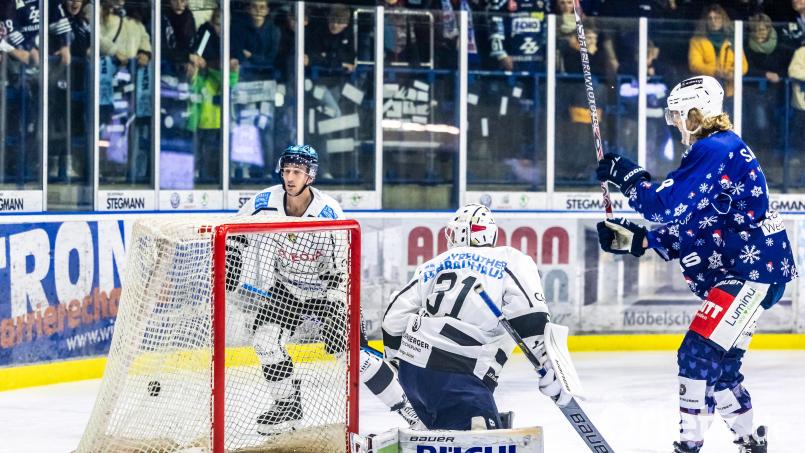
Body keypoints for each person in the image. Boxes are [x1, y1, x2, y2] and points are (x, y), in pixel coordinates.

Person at [595, 75, 797, 453]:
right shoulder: (718, 149)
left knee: (695, 353)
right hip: (755, 270)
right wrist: (640, 239)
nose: (674, 123)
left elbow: (665, 206)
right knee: (719, 369)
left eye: (678, 114)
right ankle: (751, 442)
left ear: (698, 112)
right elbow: (700, 223)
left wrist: (628, 176)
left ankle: (689, 445)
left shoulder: (715, 149)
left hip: (749, 273)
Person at [232, 145, 422, 434]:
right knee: (265, 340)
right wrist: (232, 257)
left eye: (297, 172)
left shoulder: (328, 212)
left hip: (329, 292)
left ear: (310, 176)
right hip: (286, 289)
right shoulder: (265, 200)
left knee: (354, 358)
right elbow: (236, 231)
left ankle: (409, 408)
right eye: (286, 171)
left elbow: (342, 270)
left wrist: (336, 306)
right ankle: (287, 405)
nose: (290, 178)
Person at [382, 203, 568, 431]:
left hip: (413, 375)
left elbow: (392, 321)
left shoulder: (430, 266)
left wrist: (398, 364)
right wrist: (549, 364)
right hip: (460, 375)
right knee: (481, 442)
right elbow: (530, 316)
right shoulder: (509, 258)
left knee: (443, 435)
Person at [688, 4, 748, 100]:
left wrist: (731, 72)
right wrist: (715, 71)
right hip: (705, 90)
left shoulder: (733, 39)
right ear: (706, 21)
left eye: (717, 18)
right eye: (710, 18)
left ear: (723, 19)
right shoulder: (697, 40)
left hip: (731, 90)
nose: (713, 21)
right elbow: (695, 64)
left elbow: (743, 65)